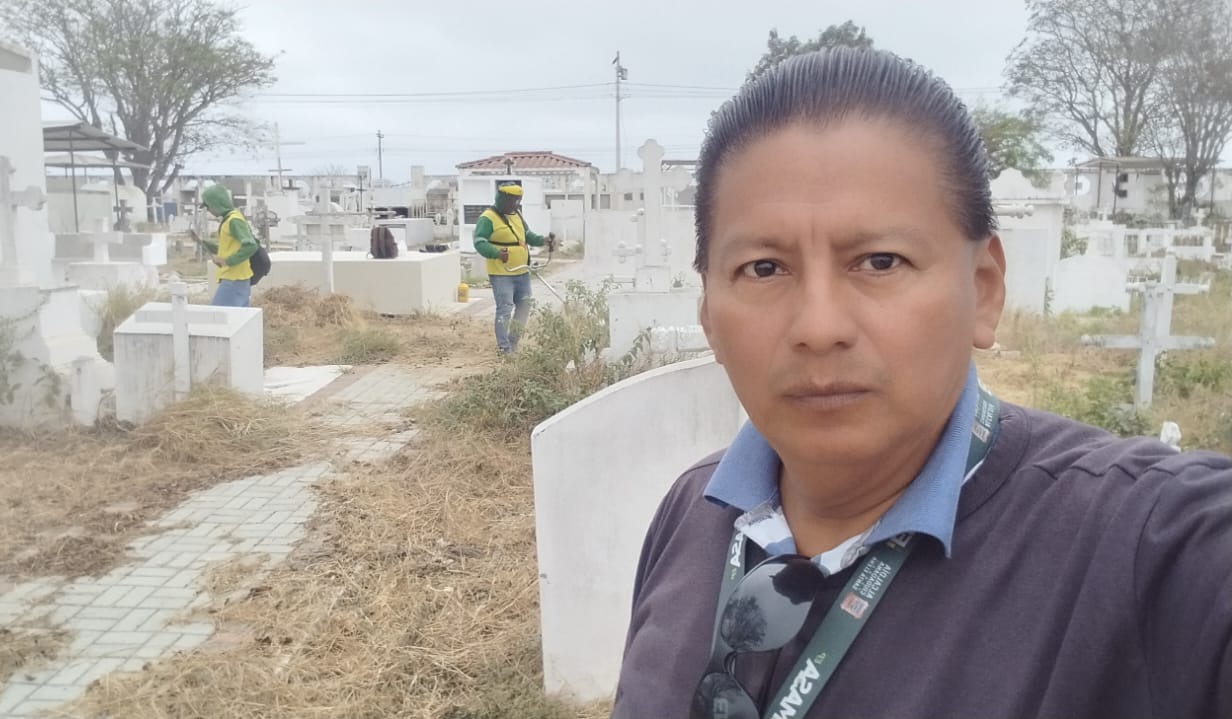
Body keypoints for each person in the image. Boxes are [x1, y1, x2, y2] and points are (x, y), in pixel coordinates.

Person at [612, 48, 1232, 719]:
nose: (818, 327)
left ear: (983, 289)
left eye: (880, 261)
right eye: (763, 268)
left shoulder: (1144, 548)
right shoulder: (691, 513)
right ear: (708, 312)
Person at [473, 182, 554, 353]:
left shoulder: (517, 214)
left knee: (524, 307)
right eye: (512, 201)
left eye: (518, 201)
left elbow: (527, 235)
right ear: (503, 199)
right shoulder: (488, 218)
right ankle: (504, 349)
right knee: (505, 309)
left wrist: (543, 240)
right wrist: (496, 253)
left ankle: (513, 343)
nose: (515, 204)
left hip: (522, 272)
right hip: (502, 273)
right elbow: (479, 242)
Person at [199, 184, 259, 307]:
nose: (209, 210)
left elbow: (251, 246)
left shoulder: (234, 220)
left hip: (234, 278)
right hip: (235, 278)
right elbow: (228, 248)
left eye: (209, 206)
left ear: (216, 203)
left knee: (217, 315)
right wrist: (205, 244)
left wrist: (227, 261)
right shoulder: (230, 219)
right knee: (236, 317)